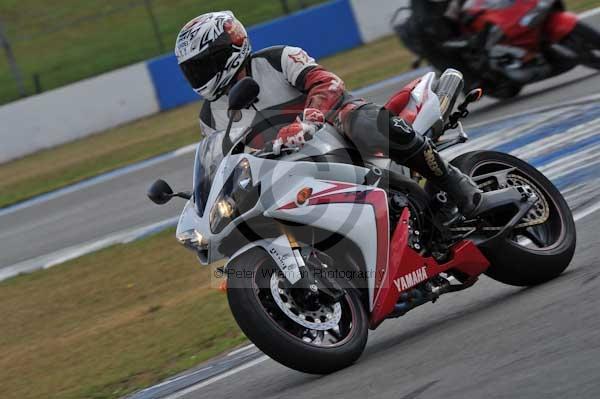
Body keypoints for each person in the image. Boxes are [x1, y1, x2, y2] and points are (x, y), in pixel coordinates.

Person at [175, 11, 493, 218]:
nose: (200, 75)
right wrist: (203, 195)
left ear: (231, 50)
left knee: (360, 121)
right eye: (193, 70)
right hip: (286, 171)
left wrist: (309, 120)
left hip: (334, 133)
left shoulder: (276, 59)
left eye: (205, 63)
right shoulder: (210, 116)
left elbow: (328, 83)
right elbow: (221, 159)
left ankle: (459, 187)